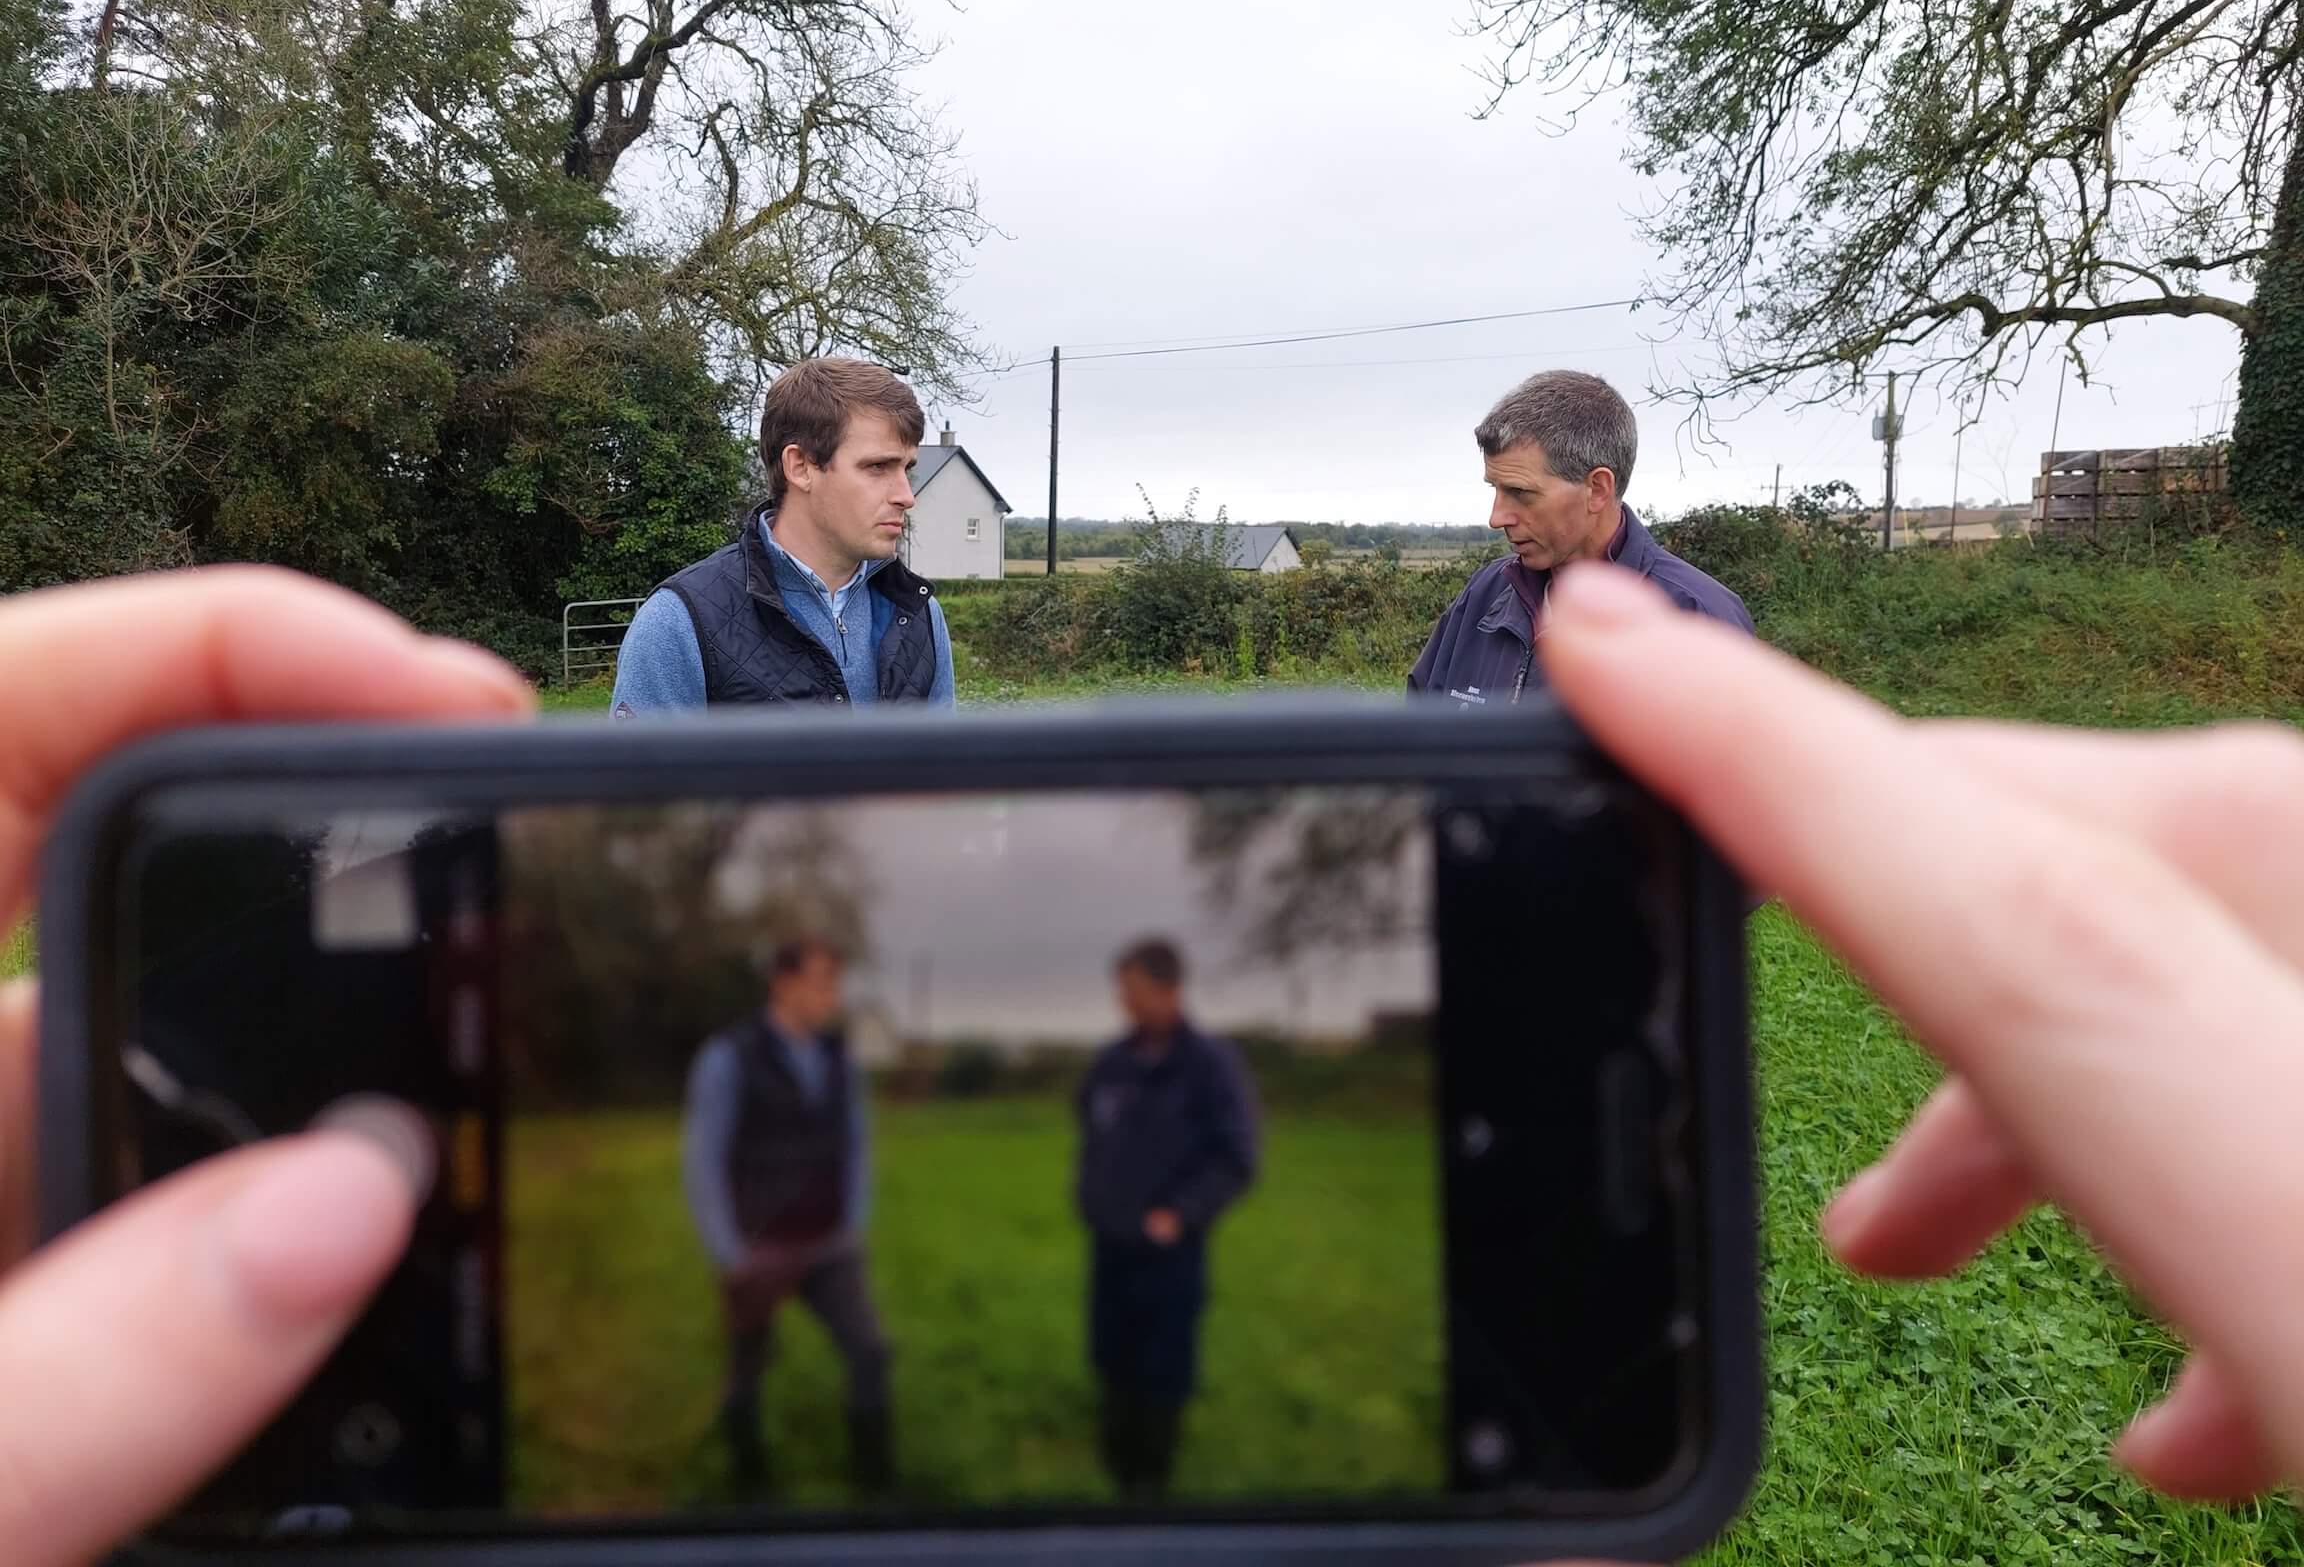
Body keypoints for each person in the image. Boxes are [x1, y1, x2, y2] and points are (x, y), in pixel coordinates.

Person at [4, 564, 2304, 1563]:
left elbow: (1137, 1123)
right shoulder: (750, 1056)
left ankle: (1055, 1442)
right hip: (773, 1242)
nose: (1121, 1012)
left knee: (996, 1374)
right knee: (771, 1378)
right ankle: (801, 1434)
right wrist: (743, 1223)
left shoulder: (1159, 1068)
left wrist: (1171, 1191)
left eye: (1128, 993)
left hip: (1095, 1245)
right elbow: (716, 1138)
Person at [611, 357, 957, 714]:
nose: (906, 495)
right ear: (800, 466)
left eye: (906, 469)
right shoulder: (678, 623)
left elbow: (944, 753)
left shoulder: (918, 614)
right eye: (878, 467)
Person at [681, 936, 892, 1495]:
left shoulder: (841, 1059)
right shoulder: (728, 1058)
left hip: (829, 1244)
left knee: (871, 1352)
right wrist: (729, 1253)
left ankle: (876, 1488)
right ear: (783, 982)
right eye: (822, 983)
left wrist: (853, 1221)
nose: (832, 996)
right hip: (759, 1247)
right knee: (746, 1374)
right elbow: (703, 1160)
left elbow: (858, 1144)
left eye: (835, 984)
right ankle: (750, 1490)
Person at [1409, 368, 1754, 707]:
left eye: (1520, 492)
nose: (1496, 517)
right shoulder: (1485, 593)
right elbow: (1421, 727)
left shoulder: (1699, 617)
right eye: (1495, 489)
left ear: (1597, 489)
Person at [1073, 939, 1259, 1499]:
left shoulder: (1209, 1066)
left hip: (1169, 1253)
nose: (1123, 1002)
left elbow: (1237, 1157)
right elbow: (1089, 1127)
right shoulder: (1111, 1063)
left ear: (1170, 990)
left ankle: (1151, 1487)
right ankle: (1117, 1473)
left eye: (1132, 990)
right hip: (1110, 1246)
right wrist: (1092, 1197)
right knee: (1112, 1360)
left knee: (1162, 1371)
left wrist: (1182, 1212)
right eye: (1121, 990)